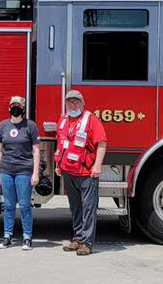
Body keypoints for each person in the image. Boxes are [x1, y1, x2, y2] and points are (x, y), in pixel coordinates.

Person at [54, 89, 107, 256]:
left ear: (82, 103)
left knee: (88, 208)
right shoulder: (63, 120)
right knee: (75, 208)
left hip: (86, 173)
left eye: (76, 101)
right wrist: (58, 164)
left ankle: (87, 243)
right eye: (69, 101)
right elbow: (61, 144)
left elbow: (102, 143)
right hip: (68, 171)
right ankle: (77, 239)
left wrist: (97, 166)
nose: (72, 104)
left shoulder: (91, 120)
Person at [0, 96, 40, 251]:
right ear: (9, 108)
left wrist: (35, 173)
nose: (16, 108)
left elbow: (36, 150)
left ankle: (27, 237)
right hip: (6, 170)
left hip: (24, 171)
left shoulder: (30, 126)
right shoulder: (3, 125)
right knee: (8, 205)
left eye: (19, 105)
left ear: (23, 108)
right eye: (13, 105)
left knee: (25, 205)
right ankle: (7, 236)